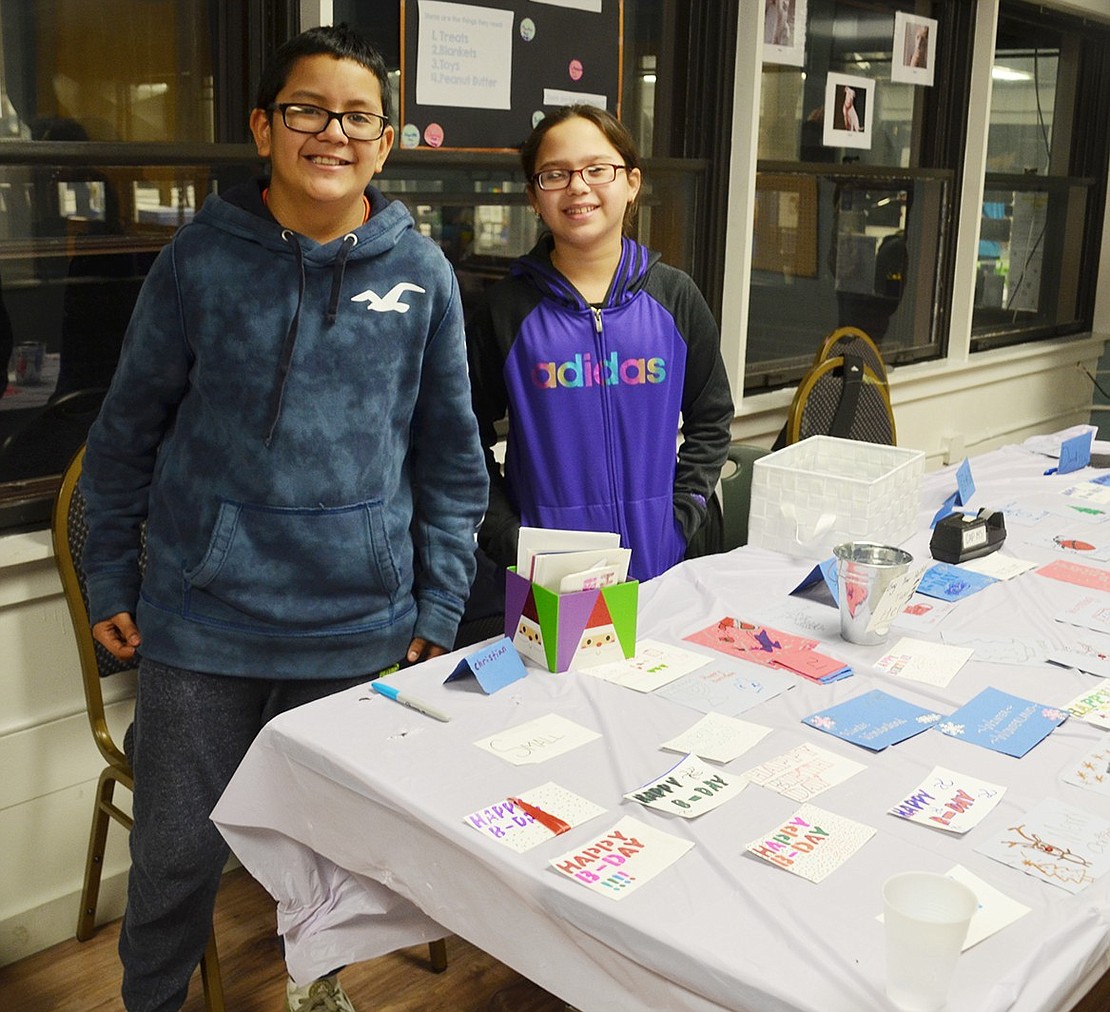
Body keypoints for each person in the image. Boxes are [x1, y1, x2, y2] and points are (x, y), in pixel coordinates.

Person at [79, 23, 487, 1012]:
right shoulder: (200, 263)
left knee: (330, 842)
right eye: (307, 110)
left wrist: (438, 598)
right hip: (204, 618)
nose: (331, 134)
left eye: (357, 117)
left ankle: (320, 986)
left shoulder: (421, 274)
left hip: (356, 620)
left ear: (385, 142)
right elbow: (125, 432)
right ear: (264, 127)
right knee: (177, 848)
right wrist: (108, 577)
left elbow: (452, 456)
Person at [466, 105, 733, 584]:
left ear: (632, 182)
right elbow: (464, 438)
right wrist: (509, 535)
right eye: (555, 174)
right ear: (533, 196)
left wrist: (683, 514)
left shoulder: (675, 298)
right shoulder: (504, 311)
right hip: (548, 581)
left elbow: (711, 417)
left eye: (597, 169)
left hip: (663, 567)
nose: (578, 186)